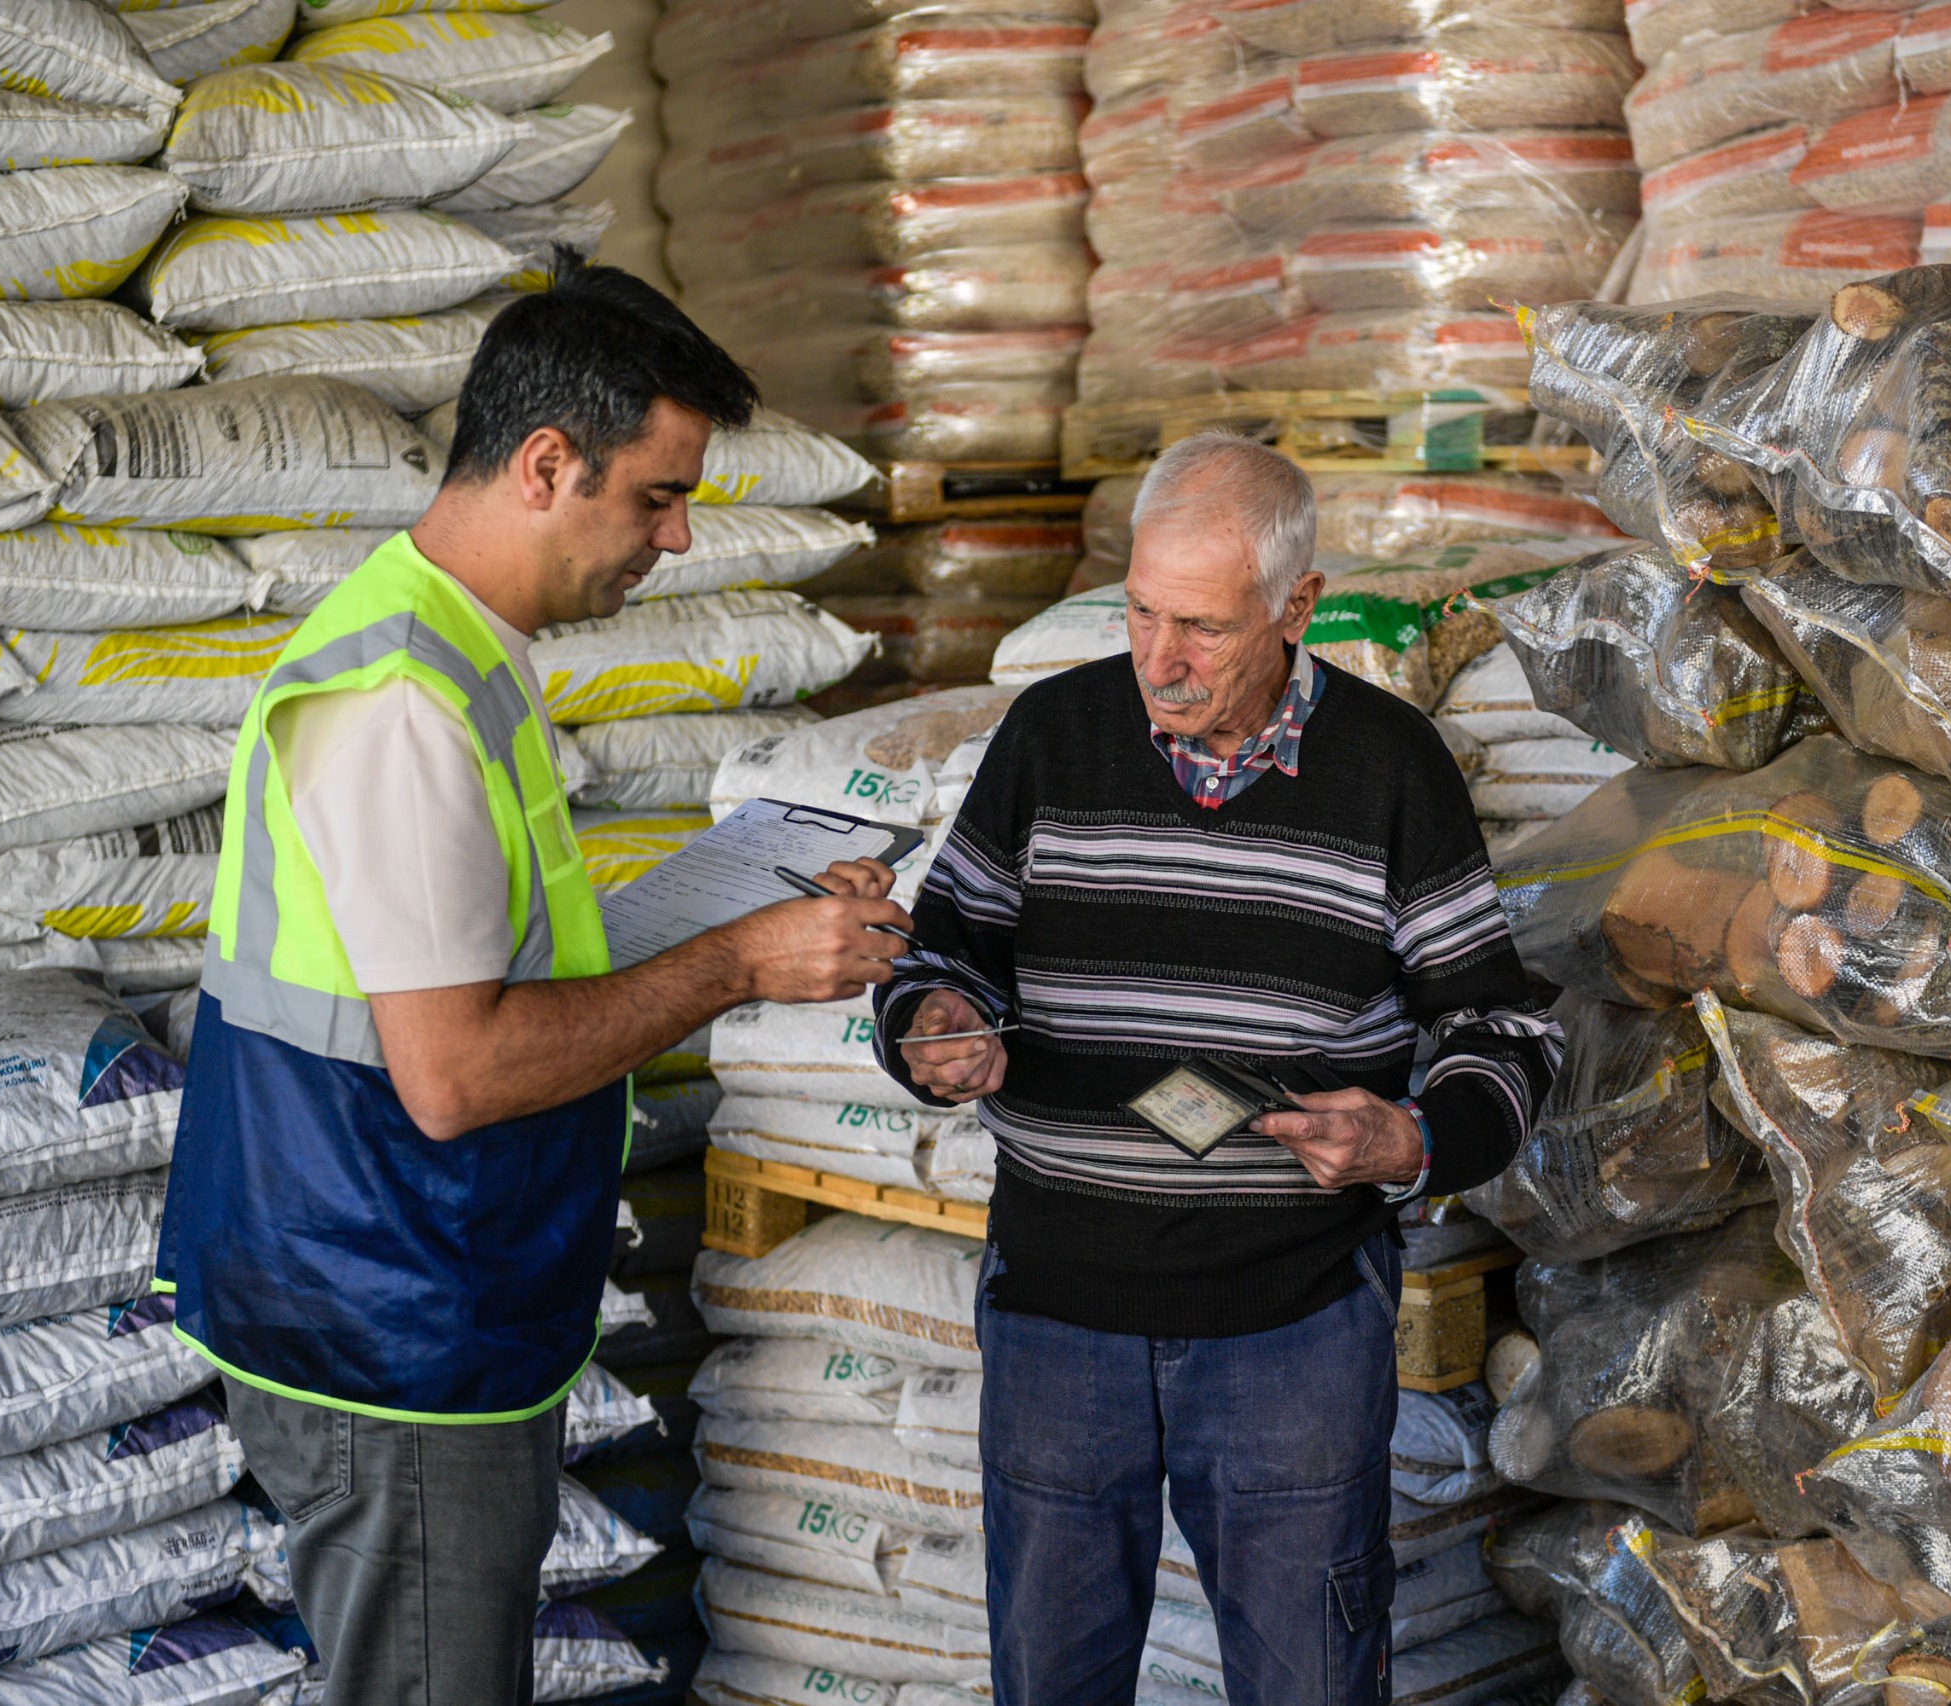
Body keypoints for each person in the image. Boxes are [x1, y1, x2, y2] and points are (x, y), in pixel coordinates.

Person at [153, 256, 915, 1704]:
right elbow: (458, 1072)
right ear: (548, 463)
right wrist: (739, 961)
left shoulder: (458, 649)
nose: (677, 538)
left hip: (408, 1277)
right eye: (658, 496)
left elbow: (480, 950)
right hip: (385, 1309)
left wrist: (738, 907)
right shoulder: (401, 701)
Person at [872, 433, 1560, 1706]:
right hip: (1055, 1310)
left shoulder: (1388, 765)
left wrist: (1410, 1139)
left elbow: (1503, 1030)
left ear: (1297, 607)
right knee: (1048, 1675)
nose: (1159, 659)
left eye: (1201, 625)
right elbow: (938, 953)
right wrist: (932, 1025)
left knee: (1309, 1677)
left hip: (1291, 1322)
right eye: (1140, 612)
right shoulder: (1051, 736)